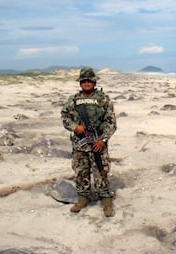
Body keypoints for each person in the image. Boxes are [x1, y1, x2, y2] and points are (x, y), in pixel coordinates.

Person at [61, 67, 117, 217]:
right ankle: (82, 199)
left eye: (89, 81)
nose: (86, 83)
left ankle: (106, 201)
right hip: (80, 144)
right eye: (83, 81)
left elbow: (111, 122)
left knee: (101, 171)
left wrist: (103, 140)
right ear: (80, 83)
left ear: (94, 82)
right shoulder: (73, 100)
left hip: (98, 143)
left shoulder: (103, 99)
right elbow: (65, 117)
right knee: (81, 172)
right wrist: (75, 128)